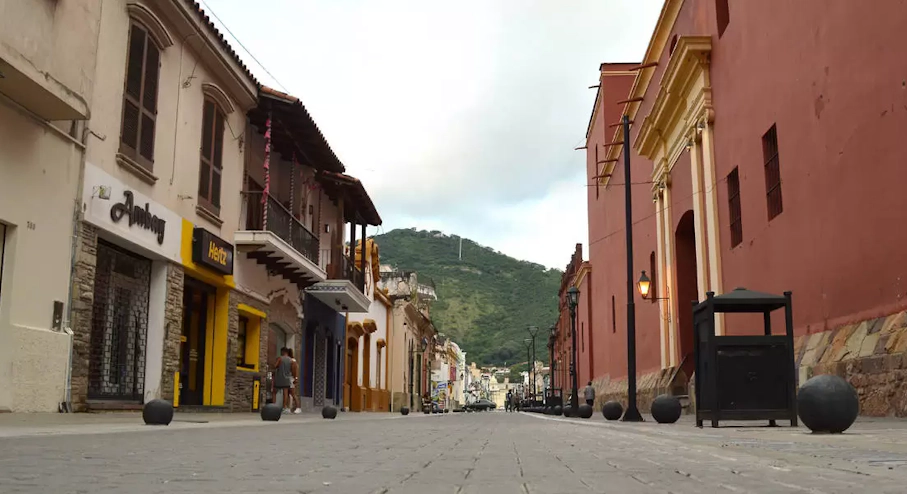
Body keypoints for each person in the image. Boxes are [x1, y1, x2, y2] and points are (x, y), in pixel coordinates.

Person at [273, 347, 294, 414]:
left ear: (283, 352)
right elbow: (292, 369)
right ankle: (284, 407)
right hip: (287, 378)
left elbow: (275, 366)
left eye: (281, 352)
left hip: (279, 378)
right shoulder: (291, 360)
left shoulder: (280, 358)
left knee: (274, 391)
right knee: (285, 393)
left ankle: (273, 406)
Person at [286, 348, 302, 414]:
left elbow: (295, 371)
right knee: (287, 393)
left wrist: (295, 378)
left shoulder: (292, 361)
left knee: (293, 393)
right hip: (288, 378)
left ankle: (298, 407)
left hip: (291, 378)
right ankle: (288, 407)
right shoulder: (289, 360)